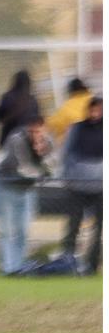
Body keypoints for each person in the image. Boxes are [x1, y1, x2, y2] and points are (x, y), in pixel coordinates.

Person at [0, 115, 55, 274]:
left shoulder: (48, 141)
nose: (35, 135)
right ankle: (8, 268)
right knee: (7, 230)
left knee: (23, 229)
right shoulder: (16, 139)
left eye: (38, 131)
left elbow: (53, 168)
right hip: (5, 187)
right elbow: (23, 169)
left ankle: (19, 267)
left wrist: (43, 153)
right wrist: (41, 170)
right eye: (32, 131)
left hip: (26, 189)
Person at [60, 97, 102, 274]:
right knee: (73, 226)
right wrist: (69, 176)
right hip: (78, 185)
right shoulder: (77, 128)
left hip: (100, 186)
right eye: (92, 110)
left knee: (98, 228)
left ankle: (91, 265)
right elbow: (67, 154)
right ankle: (67, 262)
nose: (95, 114)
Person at [0, 69, 40, 148]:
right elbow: (37, 122)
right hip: (27, 143)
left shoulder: (7, 97)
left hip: (7, 141)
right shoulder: (33, 101)